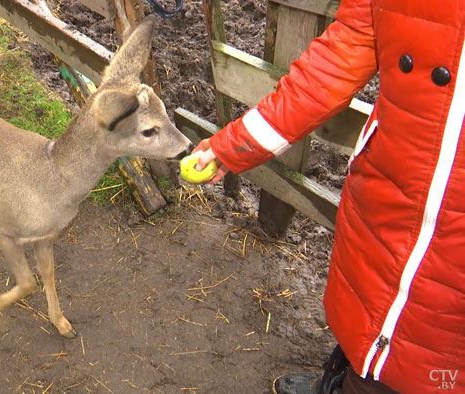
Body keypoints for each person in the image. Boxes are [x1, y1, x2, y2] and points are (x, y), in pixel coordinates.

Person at [192, 1, 465, 393]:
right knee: (363, 309)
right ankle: (346, 378)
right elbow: (332, 63)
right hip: (386, 197)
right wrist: (231, 147)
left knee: (430, 362)